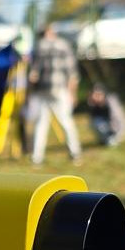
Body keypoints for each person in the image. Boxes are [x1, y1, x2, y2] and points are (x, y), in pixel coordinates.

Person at [28, 23, 81, 165]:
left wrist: (31, 92)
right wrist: (72, 93)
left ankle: (36, 157)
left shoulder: (39, 46)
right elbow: (72, 74)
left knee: (41, 125)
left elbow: (33, 75)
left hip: (43, 91)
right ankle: (75, 153)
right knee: (66, 122)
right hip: (60, 90)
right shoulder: (64, 45)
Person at [0, 36, 28, 155]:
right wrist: (12, 64)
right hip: (2, 91)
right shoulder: (2, 54)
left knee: (21, 118)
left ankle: (25, 147)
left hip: (19, 91)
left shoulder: (25, 53)